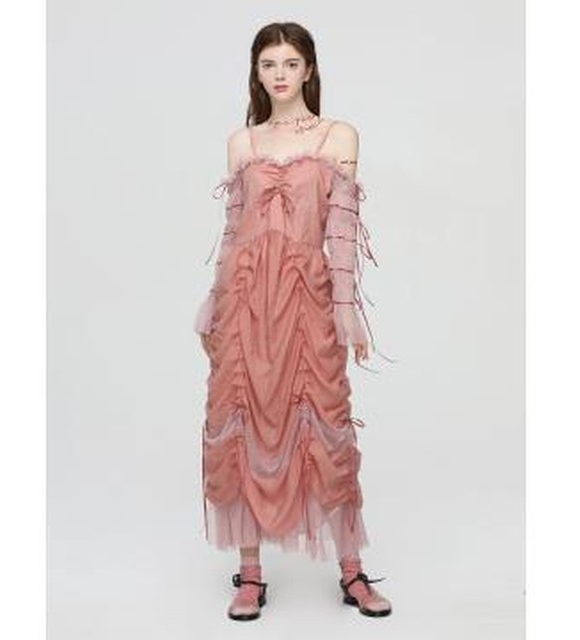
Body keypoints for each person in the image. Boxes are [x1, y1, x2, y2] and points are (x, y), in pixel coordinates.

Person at [194, 22, 394, 621]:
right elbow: (233, 232)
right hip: (245, 302)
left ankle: (352, 573)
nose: (279, 74)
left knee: (325, 429)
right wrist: (211, 303)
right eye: (268, 65)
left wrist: (346, 312)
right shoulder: (243, 142)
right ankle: (251, 575)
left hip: (306, 302)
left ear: (309, 69)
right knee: (242, 421)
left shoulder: (339, 136)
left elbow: (341, 233)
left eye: (290, 63)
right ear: (256, 74)